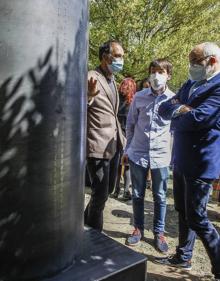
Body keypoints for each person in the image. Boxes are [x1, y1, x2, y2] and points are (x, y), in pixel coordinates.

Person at [156, 42, 220, 280]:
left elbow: (200, 118)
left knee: (198, 217)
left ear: (212, 61)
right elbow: (164, 108)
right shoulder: (191, 83)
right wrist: (183, 112)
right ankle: (184, 256)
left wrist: (180, 114)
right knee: (183, 211)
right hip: (182, 159)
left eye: (196, 63)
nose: (192, 67)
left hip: (201, 162)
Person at [123, 59, 174, 252]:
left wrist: (173, 156)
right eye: (153, 71)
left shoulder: (173, 99)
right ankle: (138, 229)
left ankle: (159, 233)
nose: (156, 75)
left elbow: (175, 130)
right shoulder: (139, 97)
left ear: (168, 75)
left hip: (161, 156)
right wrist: (127, 150)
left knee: (160, 196)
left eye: (161, 71)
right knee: (137, 193)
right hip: (138, 153)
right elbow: (130, 124)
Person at [84, 40, 125, 232]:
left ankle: (85, 220)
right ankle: (95, 235)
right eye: (117, 56)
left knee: (107, 190)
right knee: (100, 194)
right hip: (97, 145)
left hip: (113, 145)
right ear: (104, 57)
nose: (120, 60)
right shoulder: (91, 76)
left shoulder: (112, 80)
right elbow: (78, 107)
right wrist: (89, 96)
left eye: (122, 56)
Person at [113, 77, 137, 200]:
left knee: (120, 163)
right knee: (125, 164)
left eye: (125, 85)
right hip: (126, 135)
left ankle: (119, 190)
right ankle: (125, 190)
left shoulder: (118, 100)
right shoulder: (132, 101)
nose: (123, 87)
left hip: (119, 135)